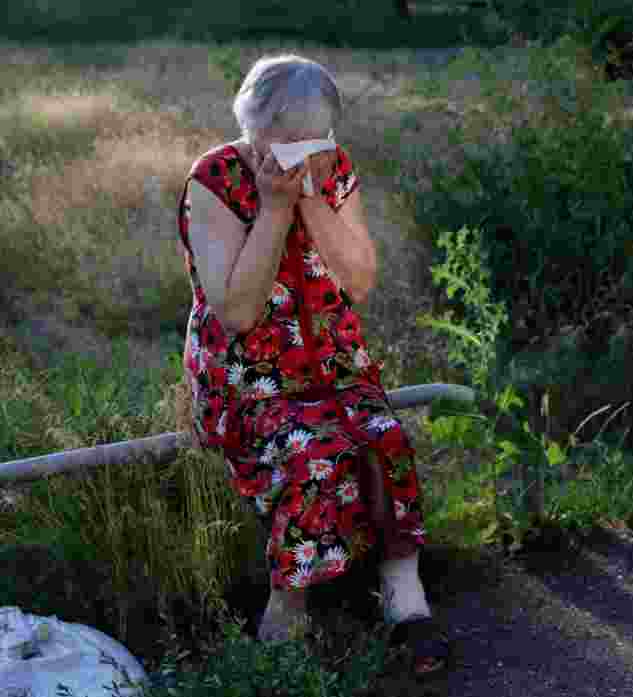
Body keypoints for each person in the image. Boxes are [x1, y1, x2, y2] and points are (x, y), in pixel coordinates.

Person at [175, 53, 449, 677]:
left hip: (332, 358)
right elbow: (239, 312)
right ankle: (286, 611)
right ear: (252, 131)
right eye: (280, 144)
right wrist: (273, 208)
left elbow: (360, 280)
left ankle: (406, 600)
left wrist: (312, 202)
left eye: (312, 143)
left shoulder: (335, 171)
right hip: (248, 373)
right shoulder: (214, 179)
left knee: (385, 438)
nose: (297, 158)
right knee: (312, 454)